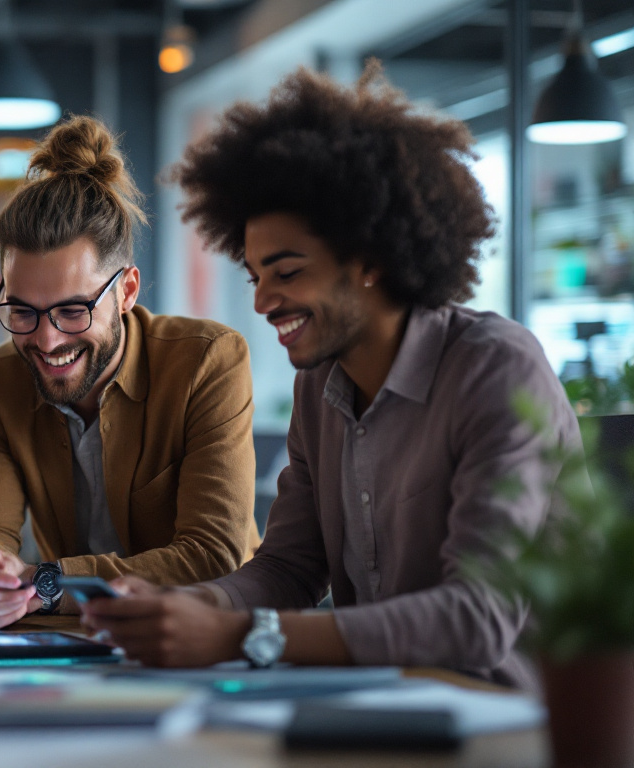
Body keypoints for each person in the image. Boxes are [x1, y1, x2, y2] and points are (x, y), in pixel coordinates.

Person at [81, 65, 577, 692]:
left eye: (286, 273)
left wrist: (241, 637)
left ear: (370, 257)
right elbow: (291, 567)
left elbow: (480, 616)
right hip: (375, 703)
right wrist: (195, 607)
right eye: (255, 276)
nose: (262, 303)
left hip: (509, 720)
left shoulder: (496, 368)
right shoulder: (320, 386)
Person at [0, 115, 260, 627]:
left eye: (73, 311)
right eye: (22, 311)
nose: (47, 341)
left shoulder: (207, 361)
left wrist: (45, 583)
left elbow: (211, 555)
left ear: (127, 292)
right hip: (76, 641)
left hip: (207, 639)